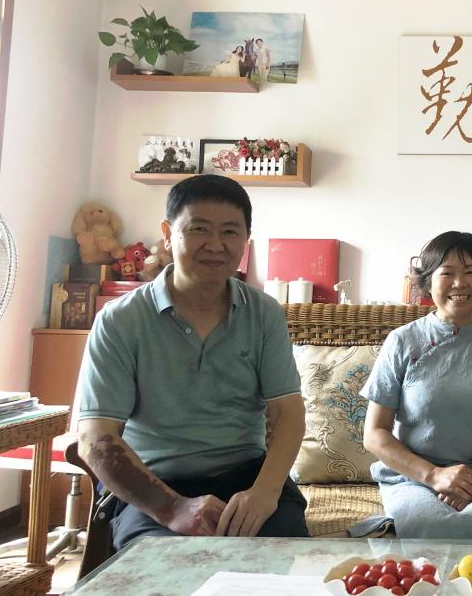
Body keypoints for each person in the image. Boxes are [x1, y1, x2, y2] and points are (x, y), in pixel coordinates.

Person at [76, 175, 308, 550]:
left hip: (247, 478)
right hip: (155, 485)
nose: (215, 245)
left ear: (245, 240)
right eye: (199, 229)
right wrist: (172, 508)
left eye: (230, 232)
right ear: (168, 234)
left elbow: (288, 413)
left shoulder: (264, 313)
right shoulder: (120, 320)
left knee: (280, 566)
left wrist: (266, 492)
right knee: (165, 572)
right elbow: (95, 439)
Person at [361, 231, 472, 539]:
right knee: (425, 523)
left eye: (471, 272)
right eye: (447, 273)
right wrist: (433, 475)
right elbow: (375, 434)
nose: (460, 283)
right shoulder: (402, 341)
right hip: (414, 478)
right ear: (428, 282)